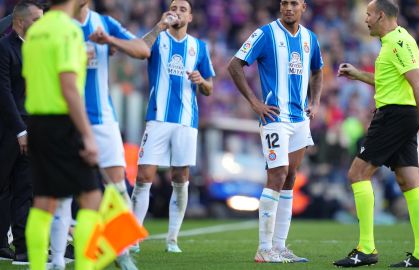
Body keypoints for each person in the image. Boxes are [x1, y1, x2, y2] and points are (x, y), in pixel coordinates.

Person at [333, 0, 419, 267]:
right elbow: (390, 80)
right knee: (409, 181)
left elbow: (418, 84)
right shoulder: (400, 39)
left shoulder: (396, 43)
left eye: (369, 14)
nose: (366, 19)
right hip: (403, 115)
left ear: (381, 15)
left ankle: (366, 248)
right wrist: (359, 75)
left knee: (357, 174)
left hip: (394, 116)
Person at [46, 1, 150, 269]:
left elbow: (142, 50)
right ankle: (57, 259)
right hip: (66, 119)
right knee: (63, 192)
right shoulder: (57, 23)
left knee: (117, 189)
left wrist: (109, 40)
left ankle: (122, 252)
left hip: (103, 120)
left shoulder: (104, 24)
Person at [228, 0, 323, 263]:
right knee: (277, 174)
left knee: (291, 177)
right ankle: (263, 248)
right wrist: (254, 102)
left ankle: (280, 247)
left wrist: (315, 102)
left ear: (303, 6)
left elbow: (317, 71)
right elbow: (234, 65)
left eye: (293, 3)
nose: (288, 8)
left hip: (299, 119)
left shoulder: (310, 39)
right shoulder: (265, 33)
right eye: (284, 3)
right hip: (274, 118)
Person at [22, 0, 102, 269]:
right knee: (92, 197)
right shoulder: (67, 31)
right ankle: (85, 266)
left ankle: (37, 265)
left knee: (44, 200)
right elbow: (69, 87)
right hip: (62, 123)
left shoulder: (35, 32)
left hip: (36, 122)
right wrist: (87, 134)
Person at [131, 0, 214, 253]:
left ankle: (172, 238)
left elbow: (209, 88)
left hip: (186, 122)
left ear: (190, 17)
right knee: (144, 176)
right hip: (157, 118)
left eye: (182, 9)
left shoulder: (198, 47)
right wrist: (158, 26)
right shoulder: (158, 39)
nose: (176, 12)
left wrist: (201, 81)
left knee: (180, 177)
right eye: (173, 8)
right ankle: (133, 237)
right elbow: (139, 49)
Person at [0, 0, 42, 265]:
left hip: (32, 127)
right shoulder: (4, 48)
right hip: (8, 127)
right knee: (3, 186)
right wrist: (19, 130)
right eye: (37, 19)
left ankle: (23, 248)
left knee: (25, 187)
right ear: (19, 22)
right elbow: (3, 93)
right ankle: (2, 244)